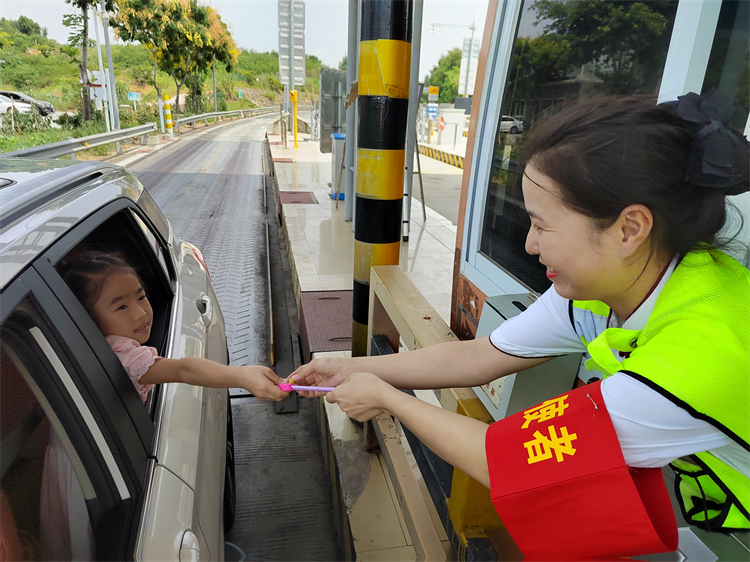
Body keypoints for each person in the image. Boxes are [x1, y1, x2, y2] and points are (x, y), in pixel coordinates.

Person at [292, 92, 749, 555]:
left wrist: (388, 399)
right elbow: (482, 355)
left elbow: (507, 460)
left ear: (629, 229)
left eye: (542, 226)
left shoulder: (698, 359)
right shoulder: (618, 287)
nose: (529, 245)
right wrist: (354, 370)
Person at [40, 251, 289, 559]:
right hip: (90, 470)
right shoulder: (124, 356)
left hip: (73, 457)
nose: (140, 313)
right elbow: (183, 369)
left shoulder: (78, 347)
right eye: (121, 306)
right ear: (88, 320)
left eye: (141, 297)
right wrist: (240, 375)